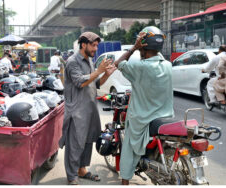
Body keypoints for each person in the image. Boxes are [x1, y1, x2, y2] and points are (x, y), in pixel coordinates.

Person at [113, 26, 174, 185]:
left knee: (128, 149)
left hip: (143, 119)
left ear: (143, 45)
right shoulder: (167, 65)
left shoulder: (140, 67)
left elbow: (118, 63)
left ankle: (125, 181)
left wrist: (134, 47)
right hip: (165, 117)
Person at [59, 32, 116, 185]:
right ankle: (71, 176)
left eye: (97, 45)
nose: (95, 48)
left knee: (87, 141)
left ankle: (82, 169)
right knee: (75, 144)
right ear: (83, 44)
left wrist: (106, 74)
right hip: (77, 110)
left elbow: (95, 83)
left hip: (90, 108)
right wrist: (99, 71)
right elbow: (79, 82)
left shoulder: (89, 60)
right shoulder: (72, 62)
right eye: (93, 45)